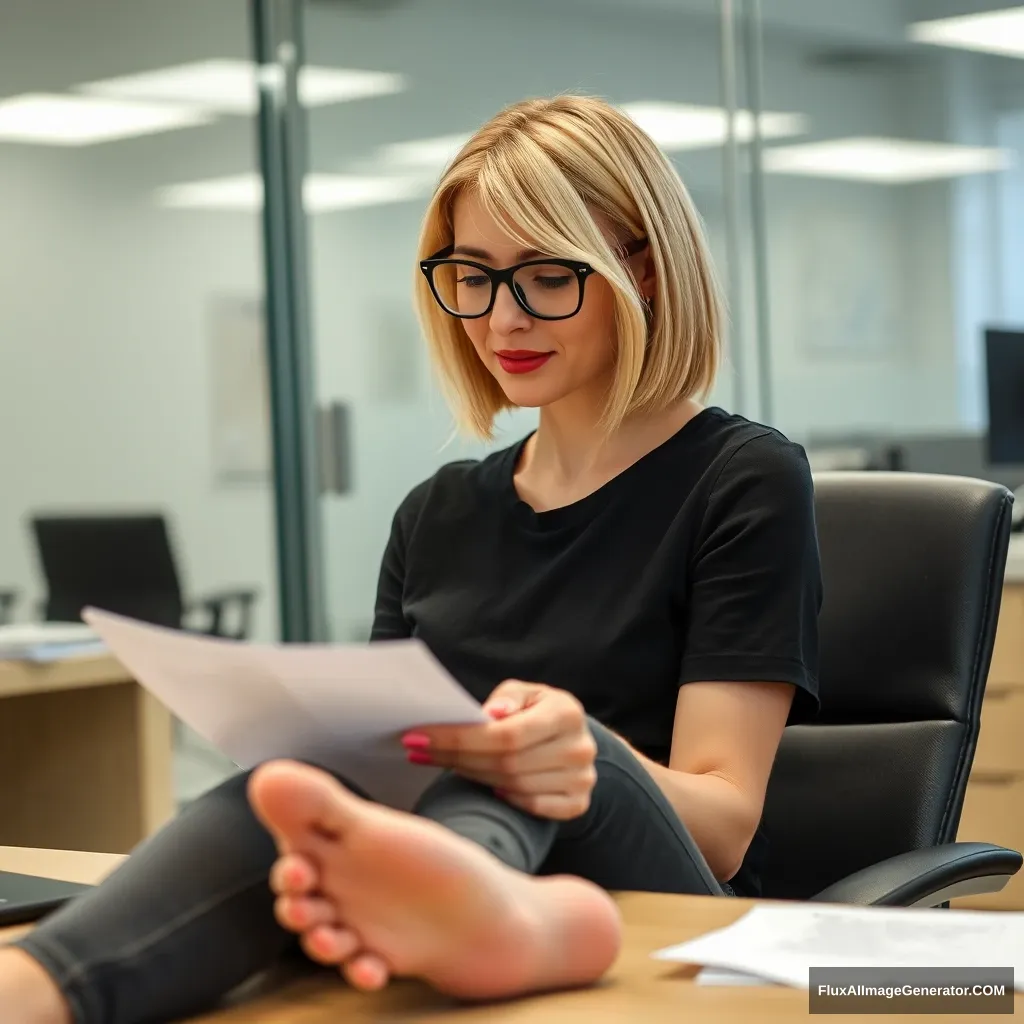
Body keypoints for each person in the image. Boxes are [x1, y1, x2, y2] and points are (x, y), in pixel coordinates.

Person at [0, 93, 821, 1023]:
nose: (501, 319)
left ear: (643, 268)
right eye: (471, 275)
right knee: (296, 788)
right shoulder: (435, 513)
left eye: (547, 276)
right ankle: (34, 990)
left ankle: (509, 910)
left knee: (529, 738)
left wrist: (561, 753)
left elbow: (720, 830)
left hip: (662, 899)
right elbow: (378, 770)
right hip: (432, 867)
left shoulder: (743, 478)